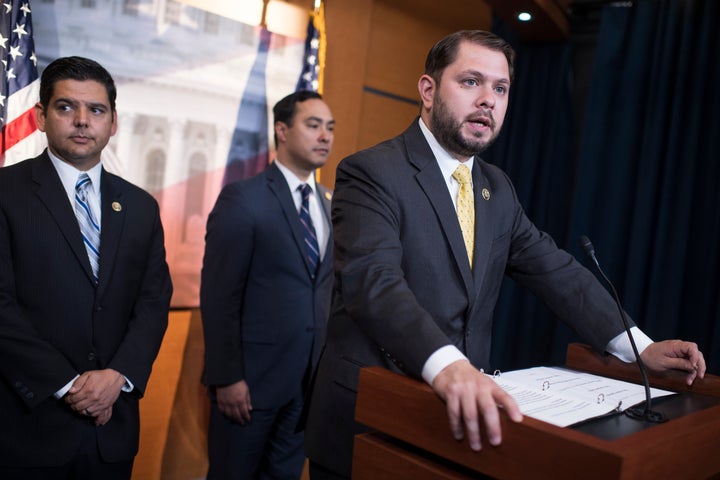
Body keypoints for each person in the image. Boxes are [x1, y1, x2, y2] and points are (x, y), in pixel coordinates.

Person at [303, 30, 706, 478]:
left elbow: (556, 272)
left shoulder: (497, 187)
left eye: (500, 88)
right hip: (369, 423)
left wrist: (640, 347)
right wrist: (450, 367)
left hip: (454, 430)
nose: (488, 101)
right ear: (428, 90)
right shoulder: (373, 172)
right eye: (471, 81)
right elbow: (373, 285)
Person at [0, 56, 172, 479]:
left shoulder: (140, 207)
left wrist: (119, 376)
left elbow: (153, 301)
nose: (81, 121)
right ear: (41, 116)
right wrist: (70, 385)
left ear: (113, 123)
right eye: (65, 107)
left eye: (95, 110)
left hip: (110, 428)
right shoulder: (5, 193)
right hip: (27, 425)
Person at [201, 90, 335, 479]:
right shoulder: (243, 198)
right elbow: (219, 295)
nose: (325, 136)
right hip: (248, 387)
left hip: (305, 388)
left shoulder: (329, 202)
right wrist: (226, 376)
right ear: (282, 130)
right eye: (313, 125)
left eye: (330, 128)